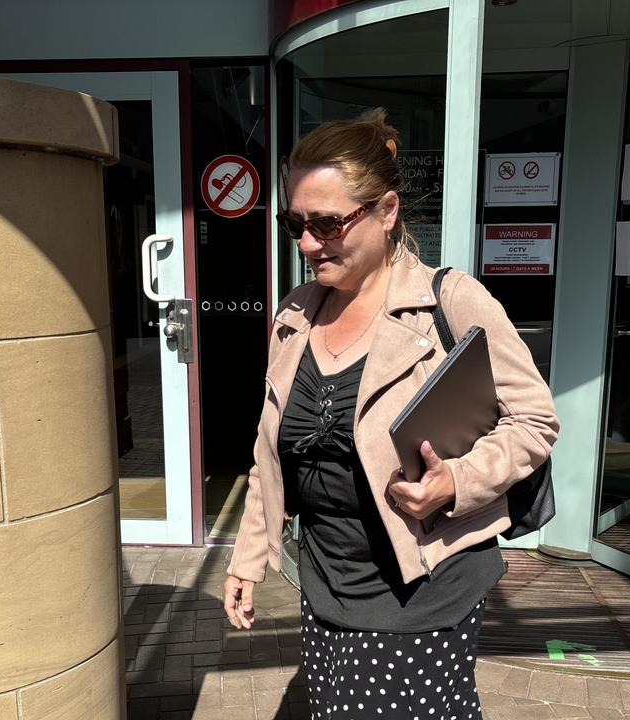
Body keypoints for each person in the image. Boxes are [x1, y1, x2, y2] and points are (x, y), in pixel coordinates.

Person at [222, 108, 558, 719]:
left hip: (422, 589)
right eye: (295, 222)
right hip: (324, 586)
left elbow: (535, 423)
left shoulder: (449, 303)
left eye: (327, 223)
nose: (305, 243)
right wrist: (248, 560)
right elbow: (269, 452)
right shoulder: (294, 314)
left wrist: (455, 482)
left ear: (387, 211)